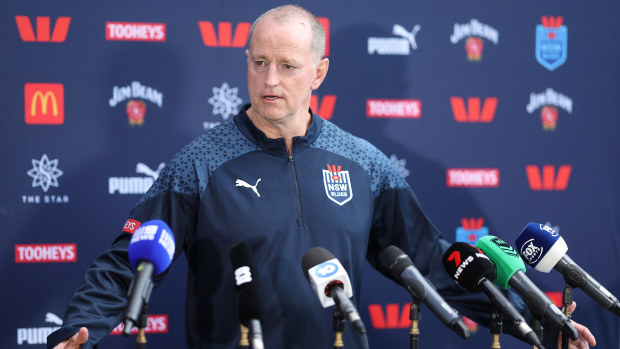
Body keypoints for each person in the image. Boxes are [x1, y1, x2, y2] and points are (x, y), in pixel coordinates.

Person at [48, 4, 596, 349]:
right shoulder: (198, 164)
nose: (269, 80)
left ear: (319, 72)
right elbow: (129, 261)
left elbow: (432, 262)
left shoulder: (366, 163)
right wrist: (78, 332)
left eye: (287, 66)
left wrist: (543, 324)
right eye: (258, 62)